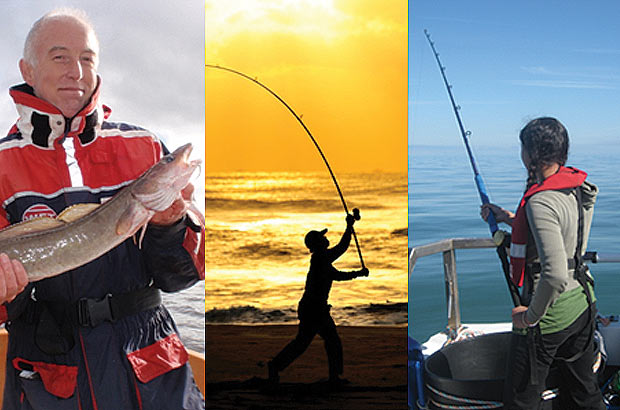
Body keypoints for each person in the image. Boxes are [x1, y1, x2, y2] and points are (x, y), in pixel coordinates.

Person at [0, 9, 205, 409]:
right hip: (50, 376)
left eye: (87, 58)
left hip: (151, 370)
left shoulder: (145, 146)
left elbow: (182, 277)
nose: (76, 70)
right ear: (28, 68)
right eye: (59, 57)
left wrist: (169, 225)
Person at [481, 117, 605, 409]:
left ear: (531, 154)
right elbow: (566, 236)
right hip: (584, 303)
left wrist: (529, 317)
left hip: (551, 315)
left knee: (521, 400)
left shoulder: (540, 201)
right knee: (584, 392)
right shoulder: (574, 186)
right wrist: (511, 218)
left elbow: (555, 276)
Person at [268, 213, 369, 384]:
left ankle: (277, 367)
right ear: (318, 244)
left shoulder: (321, 258)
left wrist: (349, 227)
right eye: (323, 238)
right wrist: (357, 273)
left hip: (314, 308)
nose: (326, 239)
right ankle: (276, 367)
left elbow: (341, 249)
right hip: (314, 310)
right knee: (319, 342)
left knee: (317, 342)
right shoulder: (320, 259)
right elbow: (338, 269)